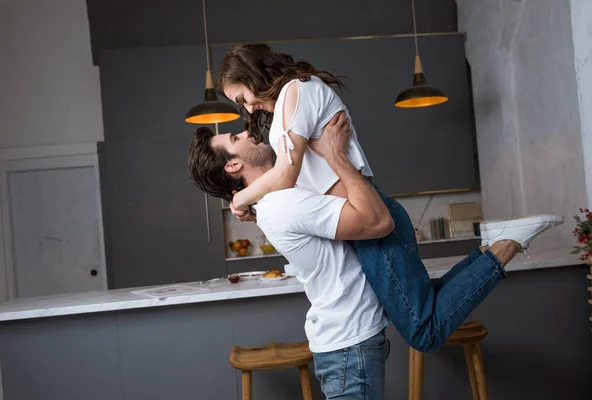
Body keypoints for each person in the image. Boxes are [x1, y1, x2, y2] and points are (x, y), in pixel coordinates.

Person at [205, 43, 564, 352]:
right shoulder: (295, 95)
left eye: (242, 97)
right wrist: (253, 202)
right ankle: (493, 246)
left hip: (373, 222)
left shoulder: (295, 93)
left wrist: (239, 199)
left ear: (253, 75)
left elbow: (286, 174)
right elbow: (289, 179)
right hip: (365, 218)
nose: (249, 108)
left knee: (423, 332)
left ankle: (508, 242)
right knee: (424, 306)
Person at [187, 115, 558, 399]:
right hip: (348, 343)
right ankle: (503, 246)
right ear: (233, 166)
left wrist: (241, 198)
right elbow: (376, 221)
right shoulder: (282, 204)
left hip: (348, 341)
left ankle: (498, 246)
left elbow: (288, 176)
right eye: (236, 138)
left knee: (426, 316)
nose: (248, 132)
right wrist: (336, 155)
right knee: (426, 329)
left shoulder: (277, 196)